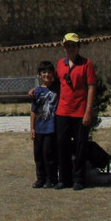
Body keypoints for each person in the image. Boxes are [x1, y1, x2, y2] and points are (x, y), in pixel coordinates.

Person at [54, 32, 97, 191]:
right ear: (64, 47)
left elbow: (91, 86)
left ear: (78, 47)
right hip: (63, 111)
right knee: (62, 145)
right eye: (68, 46)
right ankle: (63, 178)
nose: (71, 48)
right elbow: (56, 84)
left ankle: (79, 178)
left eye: (74, 45)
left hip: (79, 111)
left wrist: (88, 110)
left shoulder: (86, 64)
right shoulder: (60, 64)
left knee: (80, 146)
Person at [28, 61, 59, 188]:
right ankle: (40, 178)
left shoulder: (58, 89)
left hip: (51, 128)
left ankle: (51, 178)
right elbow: (33, 111)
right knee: (38, 154)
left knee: (49, 154)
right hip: (39, 127)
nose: (47, 75)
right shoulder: (37, 91)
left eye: (50, 72)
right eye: (44, 72)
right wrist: (32, 128)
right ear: (40, 75)